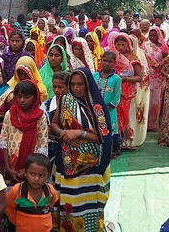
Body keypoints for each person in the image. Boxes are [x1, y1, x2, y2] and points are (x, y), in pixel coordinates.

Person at [50, 68, 112, 231]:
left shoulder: (97, 108)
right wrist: (62, 132)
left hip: (89, 167)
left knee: (86, 203)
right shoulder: (65, 101)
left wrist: (79, 133)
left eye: (80, 85)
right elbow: (54, 124)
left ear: (88, 85)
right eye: (73, 84)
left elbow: (102, 137)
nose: (76, 88)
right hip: (65, 162)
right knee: (68, 201)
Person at [0, 80, 48, 183]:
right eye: (19, 96)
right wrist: (8, 168)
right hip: (11, 164)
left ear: (34, 98)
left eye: (26, 97)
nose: (22, 100)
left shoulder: (40, 116)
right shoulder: (10, 114)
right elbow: (4, 140)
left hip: (32, 167)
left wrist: (28, 170)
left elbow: (42, 144)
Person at [5, 153, 58, 232]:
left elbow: (52, 203)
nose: (36, 179)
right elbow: (7, 206)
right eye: (33, 174)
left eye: (41, 175)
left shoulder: (50, 190)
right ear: (25, 173)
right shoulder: (18, 190)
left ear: (48, 176)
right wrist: (17, 221)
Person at [110, 33, 142, 148]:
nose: (120, 47)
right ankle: (115, 141)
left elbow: (139, 77)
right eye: (118, 44)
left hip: (126, 93)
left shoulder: (133, 58)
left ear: (128, 44)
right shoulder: (111, 57)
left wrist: (125, 79)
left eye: (123, 44)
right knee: (114, 115)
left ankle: (125, 141)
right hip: (112, 91)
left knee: (125, 115)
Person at [93, 51, 122, 156]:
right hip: (94, 110)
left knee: (109, 129)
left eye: (110, 61)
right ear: (101, 60)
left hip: (109, 111)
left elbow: (116, 97)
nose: (106, 63)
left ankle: (109, 151)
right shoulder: (94, 76)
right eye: (104, 60)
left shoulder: (116, 79)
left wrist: (105, 108)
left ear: (114, 63)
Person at [141, 27, 169, 131]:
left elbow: (167, 60)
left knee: (156, 100)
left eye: (155, 35)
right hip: (147, 75)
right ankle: (144, 123)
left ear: (159, 35)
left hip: (159, 76)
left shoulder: (163, 46)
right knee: (147, 98)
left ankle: (153, 124)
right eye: (151, 35)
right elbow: (142, 58)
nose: (152, 37)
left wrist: (160, 63)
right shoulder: (145, 45)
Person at [40, 71, 70, 164]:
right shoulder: (46, 105)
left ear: (68, 86)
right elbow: (41, 127)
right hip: (51, 147)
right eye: (54, 87)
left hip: (70, 146)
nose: (56, 90)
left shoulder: (73, 104)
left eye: (60, 87)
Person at [128, 35, 150, 147]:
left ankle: (132, 139)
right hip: (121, 92)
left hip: (135, 92)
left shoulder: (138, 57)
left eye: (128, 44)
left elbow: (144, 77)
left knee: (132, 114)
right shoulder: (117, 56)